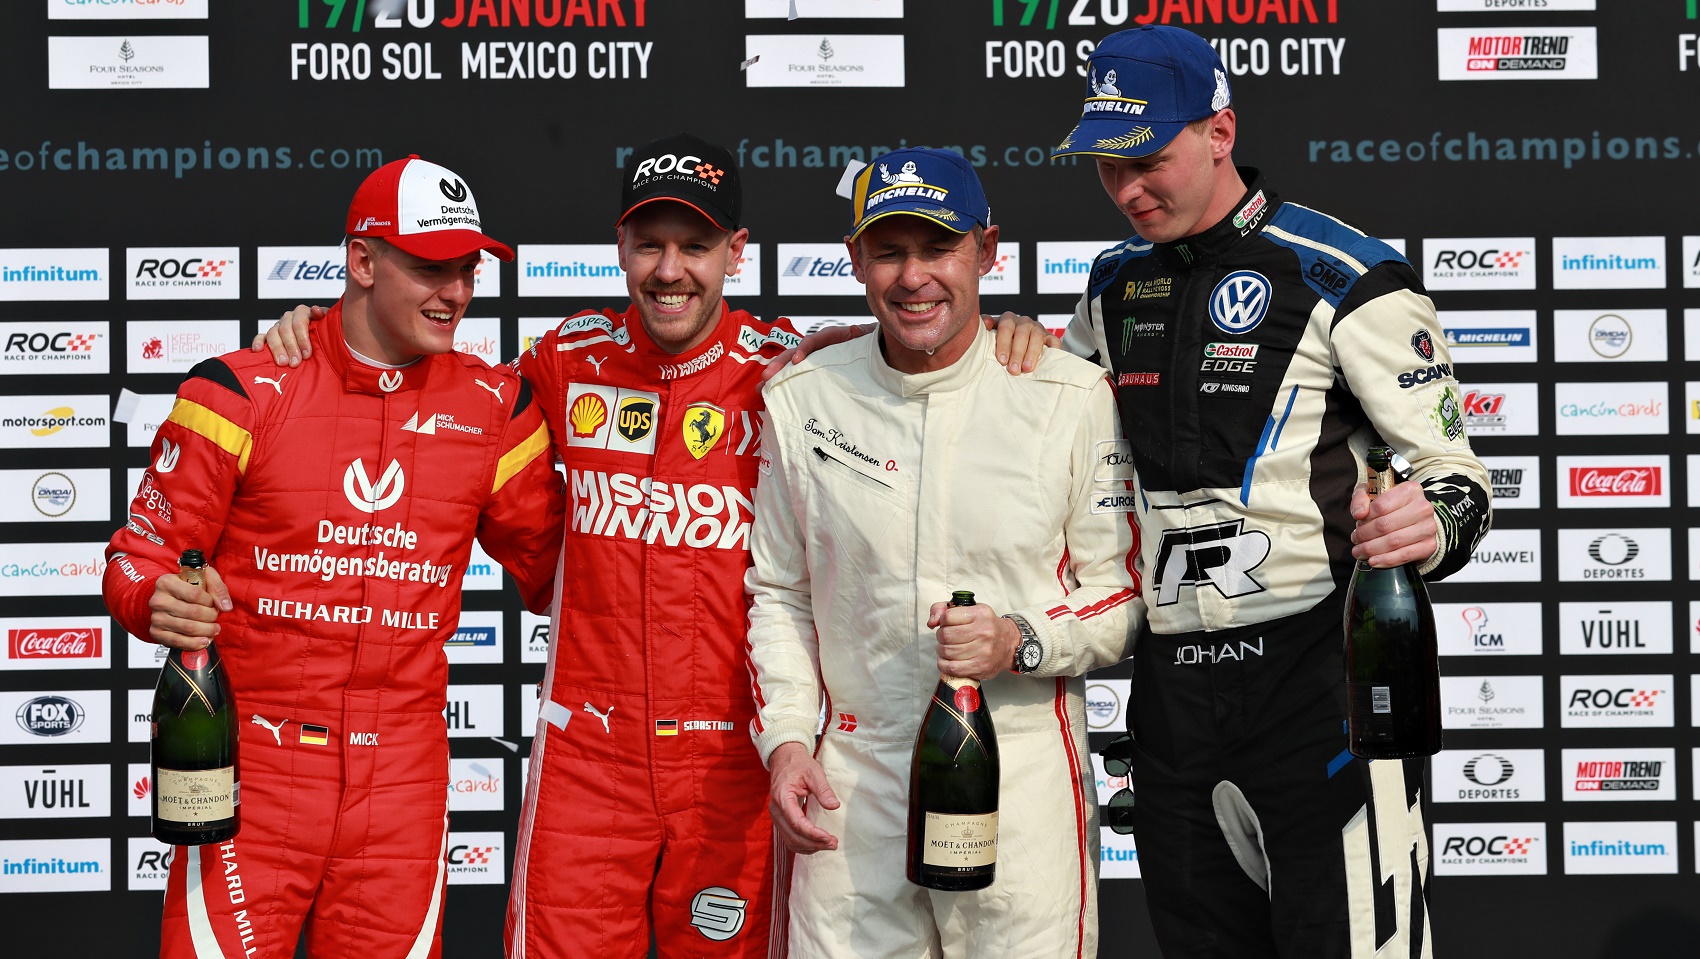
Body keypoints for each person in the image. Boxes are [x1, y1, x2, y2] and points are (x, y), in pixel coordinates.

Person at [256, 135, 1055, 959]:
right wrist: (318, 341)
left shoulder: (793, 370)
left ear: (735, 254)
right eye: (650, 245)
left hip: (732, 766)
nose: (670, 270)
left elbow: (919, 343)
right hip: (584, 764)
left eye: (696, 246)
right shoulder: (562, 360)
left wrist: (1004, 331)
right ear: (622, 248)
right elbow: (425, 388)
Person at [1050, 26, 1492, 959]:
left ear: (1221, 130)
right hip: (1172, 695)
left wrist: (1432, 520)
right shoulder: (1110, 285)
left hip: (1322, 678)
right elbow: (1041, 431)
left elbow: (1460, 477)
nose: (1127, 189)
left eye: (1148, 160)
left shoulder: (1345, 272)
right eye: (1105, 165)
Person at [103, 155, 567, 959]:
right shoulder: (241, 391)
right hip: (254, 776)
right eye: (429, 266)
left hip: (403, 783)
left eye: (467, 269)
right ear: (362, 261)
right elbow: (135, 557)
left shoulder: (495, 407)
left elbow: (569, 573)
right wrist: (154, 600)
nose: (455, 292)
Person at [745, 147, 1143, 959]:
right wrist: (787, 741)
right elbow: (779, 592)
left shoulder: (1067, 396)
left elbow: (1122, 595)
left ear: (987, 251)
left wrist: (1018, 639)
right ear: (856, 260)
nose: (913, 276)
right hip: (853, 779)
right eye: (889, 251)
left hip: (1024, 769)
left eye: (938, 249)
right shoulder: (802, 398)